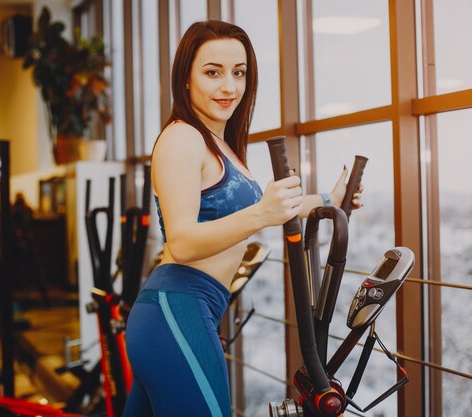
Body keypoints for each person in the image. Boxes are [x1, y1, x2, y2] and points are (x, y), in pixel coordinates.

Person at [123, 20, 363, 417]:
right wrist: (261, 213)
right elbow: (181, 242)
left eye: (239, 73)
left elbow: (272, 206)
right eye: (212, 72)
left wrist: (329, 198)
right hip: (177, 307)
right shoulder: (182, 137)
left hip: (188, 309)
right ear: (185, 79)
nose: (228, 87)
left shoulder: (219, 144)